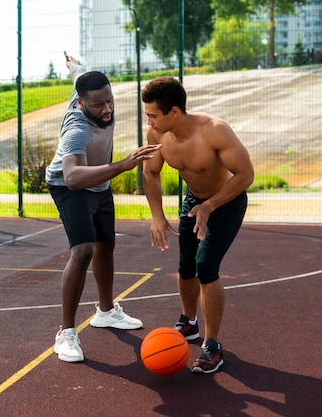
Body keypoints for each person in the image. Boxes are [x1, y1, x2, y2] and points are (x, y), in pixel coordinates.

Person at [46, 53, 161, 363]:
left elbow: (79, 73)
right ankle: (66, 332)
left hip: (99, 184)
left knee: (106, 244)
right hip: (70, 186)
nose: (107, 109)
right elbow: (72, 177)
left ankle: (106, 311)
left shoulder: (88, 89)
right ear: (82, 104)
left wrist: (72, 64)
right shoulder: (77, 130)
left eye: (109, 101)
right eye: (98, 105)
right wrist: (122, 166)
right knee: (83, 251)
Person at [141, 76, 254, 374]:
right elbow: (151, 173)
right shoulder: (156, 135)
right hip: (194, 202)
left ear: (174, 112)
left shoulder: (214, 131)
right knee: (185, 266)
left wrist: (210, 205)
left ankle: (212, 344)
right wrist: (156, 215)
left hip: (226, 202)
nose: (149, 122)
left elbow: (245, 175)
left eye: (153, 115)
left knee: (206, 266)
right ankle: (189, 322)